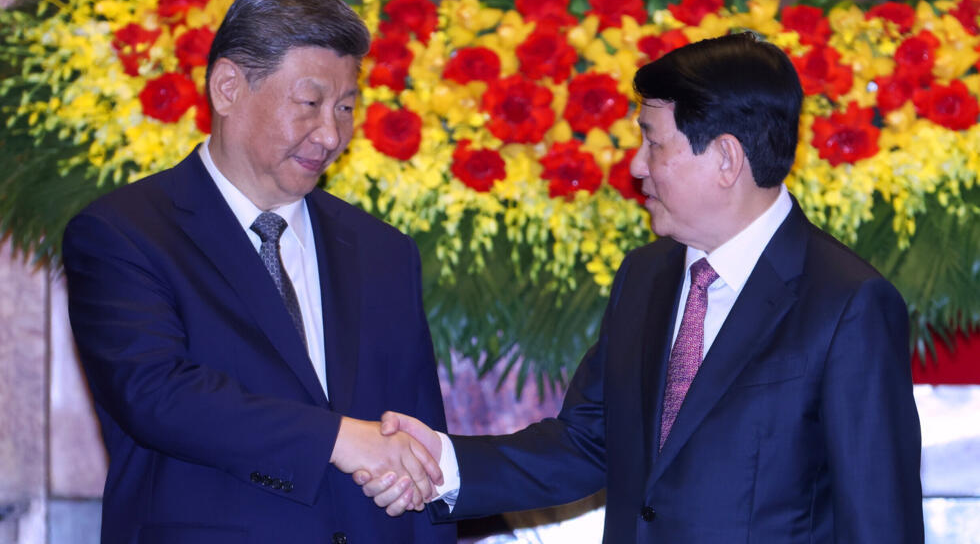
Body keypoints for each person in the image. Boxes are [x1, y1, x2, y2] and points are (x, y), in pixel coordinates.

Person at [358, 32, 924, 543]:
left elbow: (878, 519)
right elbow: (588, 441)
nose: (635, 167)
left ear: (726, 158)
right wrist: (441, 462)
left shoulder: (846, 304)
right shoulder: (646, 275)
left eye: (654, 144)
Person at [61, 0, 455, 542]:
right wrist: (338, 439)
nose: (330, 135)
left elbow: (420, 444)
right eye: (310, 103)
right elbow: (156, 394)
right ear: (228, 88)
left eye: (345, 107)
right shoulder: (125, 232)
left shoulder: (383, 251)